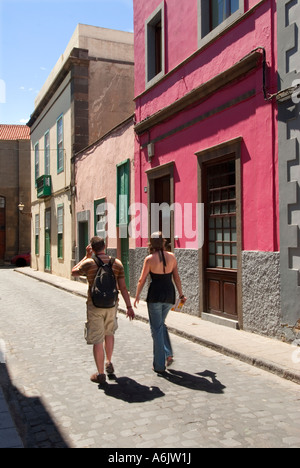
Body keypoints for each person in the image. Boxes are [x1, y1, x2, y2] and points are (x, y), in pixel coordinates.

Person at [72, 236, 134, 385]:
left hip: (94, 305)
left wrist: (86, 256)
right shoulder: (117, 263)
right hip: (112, 305)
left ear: (92, 248)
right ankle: (109, 362)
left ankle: (100, 374)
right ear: (105, 246)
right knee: (109, 333)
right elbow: (123, 287)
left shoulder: (89, 262)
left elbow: (74, 272)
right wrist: (129, 306)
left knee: (98, 340)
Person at [134, 232, 186, 373]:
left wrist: (137, 295)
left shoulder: (149, 259)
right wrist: (181, 294)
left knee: (156, 329)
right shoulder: (172, 257)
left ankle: (159, 365)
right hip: (169, 295)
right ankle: (168, 353)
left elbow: (142, 279)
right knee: (160, 325)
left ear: (151, 243)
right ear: (163, 242)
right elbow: (177, 278)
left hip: (155, 295)